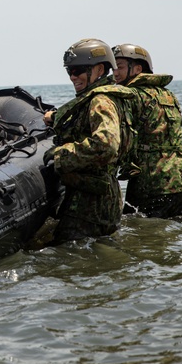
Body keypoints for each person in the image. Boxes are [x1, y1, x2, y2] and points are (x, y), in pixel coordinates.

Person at [43, 38, 135, 243]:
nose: (73, 77)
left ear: (99, 70)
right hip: (103, 194)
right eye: (69, 71)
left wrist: (61, 155)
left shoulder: (100, 101)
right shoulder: (114, 98)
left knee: (69, 254)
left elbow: (106, 145)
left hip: (89, 201)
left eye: (78, 70)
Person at [112, 43, 182, 217]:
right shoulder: (168, 95)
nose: (114, 73)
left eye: (119, 67)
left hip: (151, 184)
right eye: (113, 68)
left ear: (137, 69)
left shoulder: (130, 96)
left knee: (142, 237)